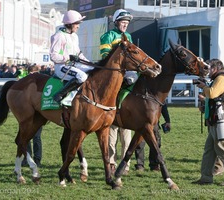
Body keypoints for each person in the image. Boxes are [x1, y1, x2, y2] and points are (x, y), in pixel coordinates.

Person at [192, 58, 224, 186]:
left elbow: (212, 93)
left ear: (215, 68)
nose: (208, 72)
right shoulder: (220, 78)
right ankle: (206, 178)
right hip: (219, 119)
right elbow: (215, 97)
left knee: (223, 148)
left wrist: (203, 86)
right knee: (209, 149)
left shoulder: (221, 78)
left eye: (209, 69)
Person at [100, 9, 136, 175]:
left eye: (127, 23)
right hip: (111, 74)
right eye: (123, 22)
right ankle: (112, 162)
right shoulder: (108, 36)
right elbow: (106, 57)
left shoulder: (128, 37)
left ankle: (126, 164)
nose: (125, 25)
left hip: (126, 74)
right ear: (116, 22)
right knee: (112, 130)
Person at [49, 10, 93, 104]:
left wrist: (90, 63)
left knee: (93, 70)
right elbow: (53, 56)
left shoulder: (74, 36)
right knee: (82, 76)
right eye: (77, 23)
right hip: (61, 67)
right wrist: (68, 57)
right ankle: (60, 95)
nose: (78, 26)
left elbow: (78, 54)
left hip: (74, 65)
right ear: (70, 24)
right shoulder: (59, 36)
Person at [134, 104, 171, 171]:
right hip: (141, 121)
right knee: (140, 143)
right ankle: (140, 165)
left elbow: (163, 105)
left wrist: (167, 120)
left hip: (154, 122)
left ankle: (154, 164)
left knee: (156, 143)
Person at [22, 64, 43, 167]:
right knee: (26, 137)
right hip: (27, 114)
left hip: (38, 115)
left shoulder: (42, 84)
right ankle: (27, 157)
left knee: (36, 137)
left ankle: (37, 159)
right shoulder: (26, 83)